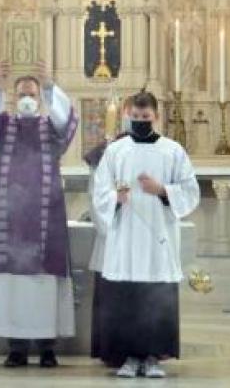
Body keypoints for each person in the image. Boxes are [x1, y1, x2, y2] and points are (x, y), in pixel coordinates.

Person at [0, 60, 79, 369]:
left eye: (32, 93)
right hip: (9, 217)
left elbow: (67, 121)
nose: (27, 98)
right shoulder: (3, 125)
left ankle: (48, 347)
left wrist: (49, 86)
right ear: (13, 98)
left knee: (44, 282)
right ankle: (16, 347)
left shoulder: (51, 128)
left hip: (46, 213)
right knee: (11, 285)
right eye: (21, 94)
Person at [92, 91, 199, 379]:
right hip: (126, 233)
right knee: (127, 296)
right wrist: (115, 197)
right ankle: (127, 357)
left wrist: (162, 190)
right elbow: (100, 189)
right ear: (128, 115)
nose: (140, 121)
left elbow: (190, 190)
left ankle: (153, 357)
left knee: (156, 295)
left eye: (146, 117)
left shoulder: (172, 150)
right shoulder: (117, 150)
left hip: (157, 236)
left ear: (156, 116)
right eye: (136, 117)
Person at [83, 96, 134, 363]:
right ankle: (111, 351)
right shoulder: (104, 156)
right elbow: (97, 195)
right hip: (113, 237)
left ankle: (139, 350)